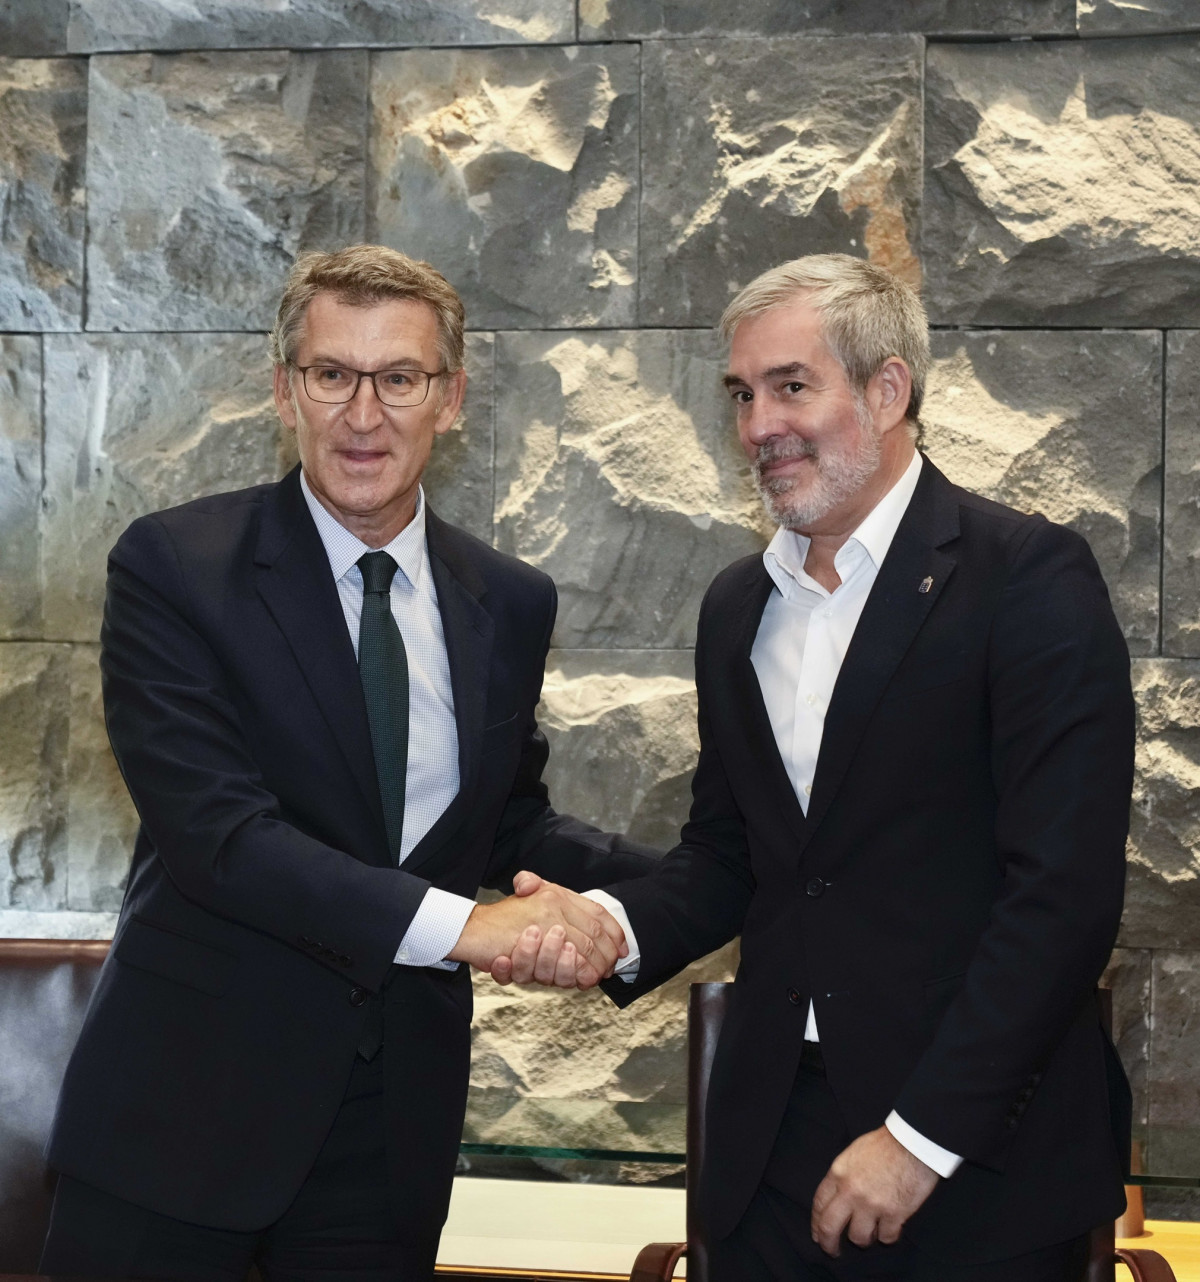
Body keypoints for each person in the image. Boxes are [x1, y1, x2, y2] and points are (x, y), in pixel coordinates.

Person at [499, 255, 1135, 1280]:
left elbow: (1063, 894)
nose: (760, 426)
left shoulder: (1026, 577)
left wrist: (921, 1139)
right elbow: (732, 858)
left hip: (977, 1161)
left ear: (888, 390)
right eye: (742, 395)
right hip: (770, 1155)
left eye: (791, 386)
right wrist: (608, 927)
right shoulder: (736, 607)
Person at [40, 244, 656, 1281]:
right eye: (333, 373)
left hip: (389, 1136)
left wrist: (683, 888)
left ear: (450, 399)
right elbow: (221, 839)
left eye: (399, 378)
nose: (363, 414)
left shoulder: (510, 599)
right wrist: (473, 928)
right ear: (286, 390)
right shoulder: (174, 565)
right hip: (183, 1120)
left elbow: (500, 822)